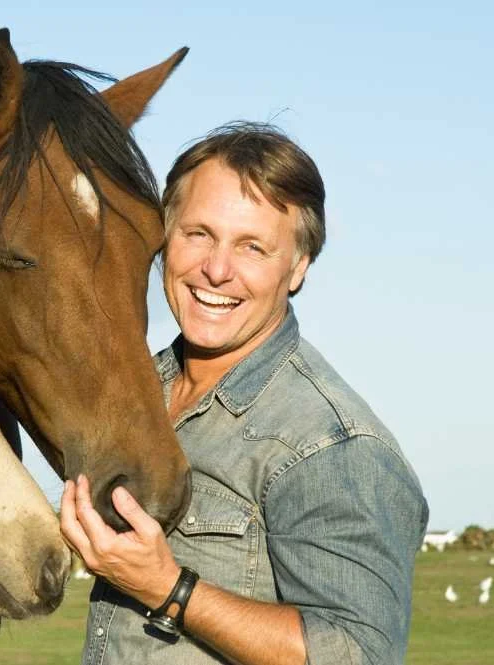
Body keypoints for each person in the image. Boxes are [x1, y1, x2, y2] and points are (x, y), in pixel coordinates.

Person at [61, 122, 428, 665]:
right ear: (163, 239)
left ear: (298, 267)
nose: (216, 269)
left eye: (252, 247)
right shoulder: (133, 393)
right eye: (198, 234)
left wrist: (167, 587)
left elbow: (357, 654)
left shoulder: (334, 446)